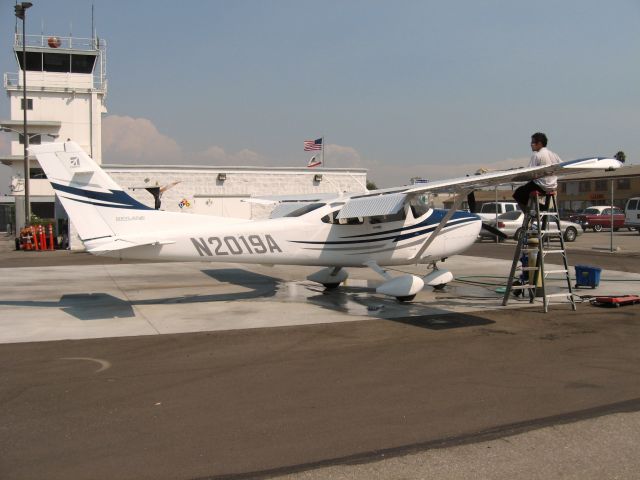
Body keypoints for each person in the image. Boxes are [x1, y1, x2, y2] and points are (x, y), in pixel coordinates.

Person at [513, 132, 562, 211]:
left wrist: (519, 174)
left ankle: (534, 211)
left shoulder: (537, 155)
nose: (531, 144)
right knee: (525, 191)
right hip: (553, 186)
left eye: (533, 142)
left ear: (539, 143)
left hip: (541, 186)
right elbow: (561, 167)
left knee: (518, 193)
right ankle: (540, 208)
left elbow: (529, 172)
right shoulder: (554, 155)